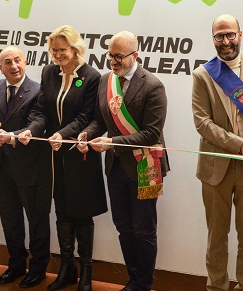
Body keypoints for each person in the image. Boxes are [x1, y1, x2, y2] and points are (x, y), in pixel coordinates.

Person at [77, 31, 169, 291]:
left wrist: (111, 143)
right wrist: (89, 133)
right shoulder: (106, 81)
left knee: (144, 229)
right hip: (116, 167)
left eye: (119, 56)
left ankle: (145, 285)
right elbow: (99, 120)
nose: (113, 61)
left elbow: (151, 133)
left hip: (146, 165)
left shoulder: (152, 85)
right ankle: (133, 280)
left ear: (135, 55)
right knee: (124, 227)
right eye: (110, 56)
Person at [18, 25, 107, 291]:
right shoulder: (48, 72)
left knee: (82, 213)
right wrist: (32, 130)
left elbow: (86, 116)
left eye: (63, 49)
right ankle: (66, 268)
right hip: (54, 156)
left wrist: (62, 135)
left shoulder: (92, 76)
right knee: (62, 211)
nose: (58, 54)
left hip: (79, 154)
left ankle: (86, 271)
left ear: (75, 48)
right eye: (54, 50)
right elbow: (42, 111)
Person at [191, 14, 243, 291]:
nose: (225, 41)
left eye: (230, 34)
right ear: (213, 38)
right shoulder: (203, 74)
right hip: (216, 166)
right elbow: (202, 123)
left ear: (240, 34)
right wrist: (237, 144)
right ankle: (216, 287)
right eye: (219, 36)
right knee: (217, 237)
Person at [0, 46, 51, 288]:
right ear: (0, 67)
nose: (13, 66)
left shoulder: (39, 90)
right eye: (7, 62)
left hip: (30, 166)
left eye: (17, 60)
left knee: (37, 220)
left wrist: (10, 136)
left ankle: (39, 268)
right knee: (10, 220)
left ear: (26, 62)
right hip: (1, 166)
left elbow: (39, 123)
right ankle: (16, 264)